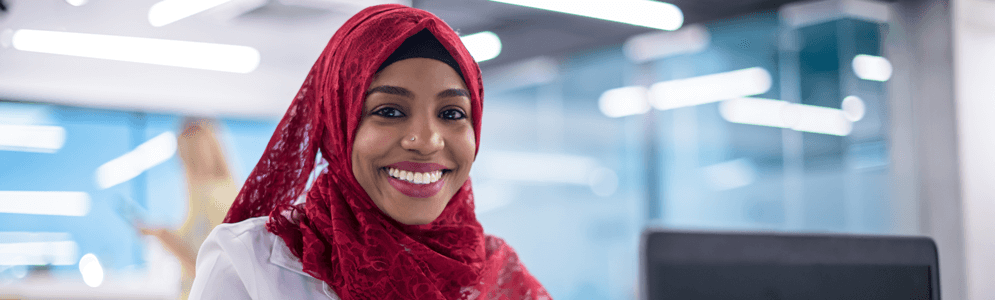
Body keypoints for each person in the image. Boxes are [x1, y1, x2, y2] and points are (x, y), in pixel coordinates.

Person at [189, 4, 550, 300]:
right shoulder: (250, 262)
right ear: (337, 124)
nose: (426, 141)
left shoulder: (501, 278)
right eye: (389, 111)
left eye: (451, 114)